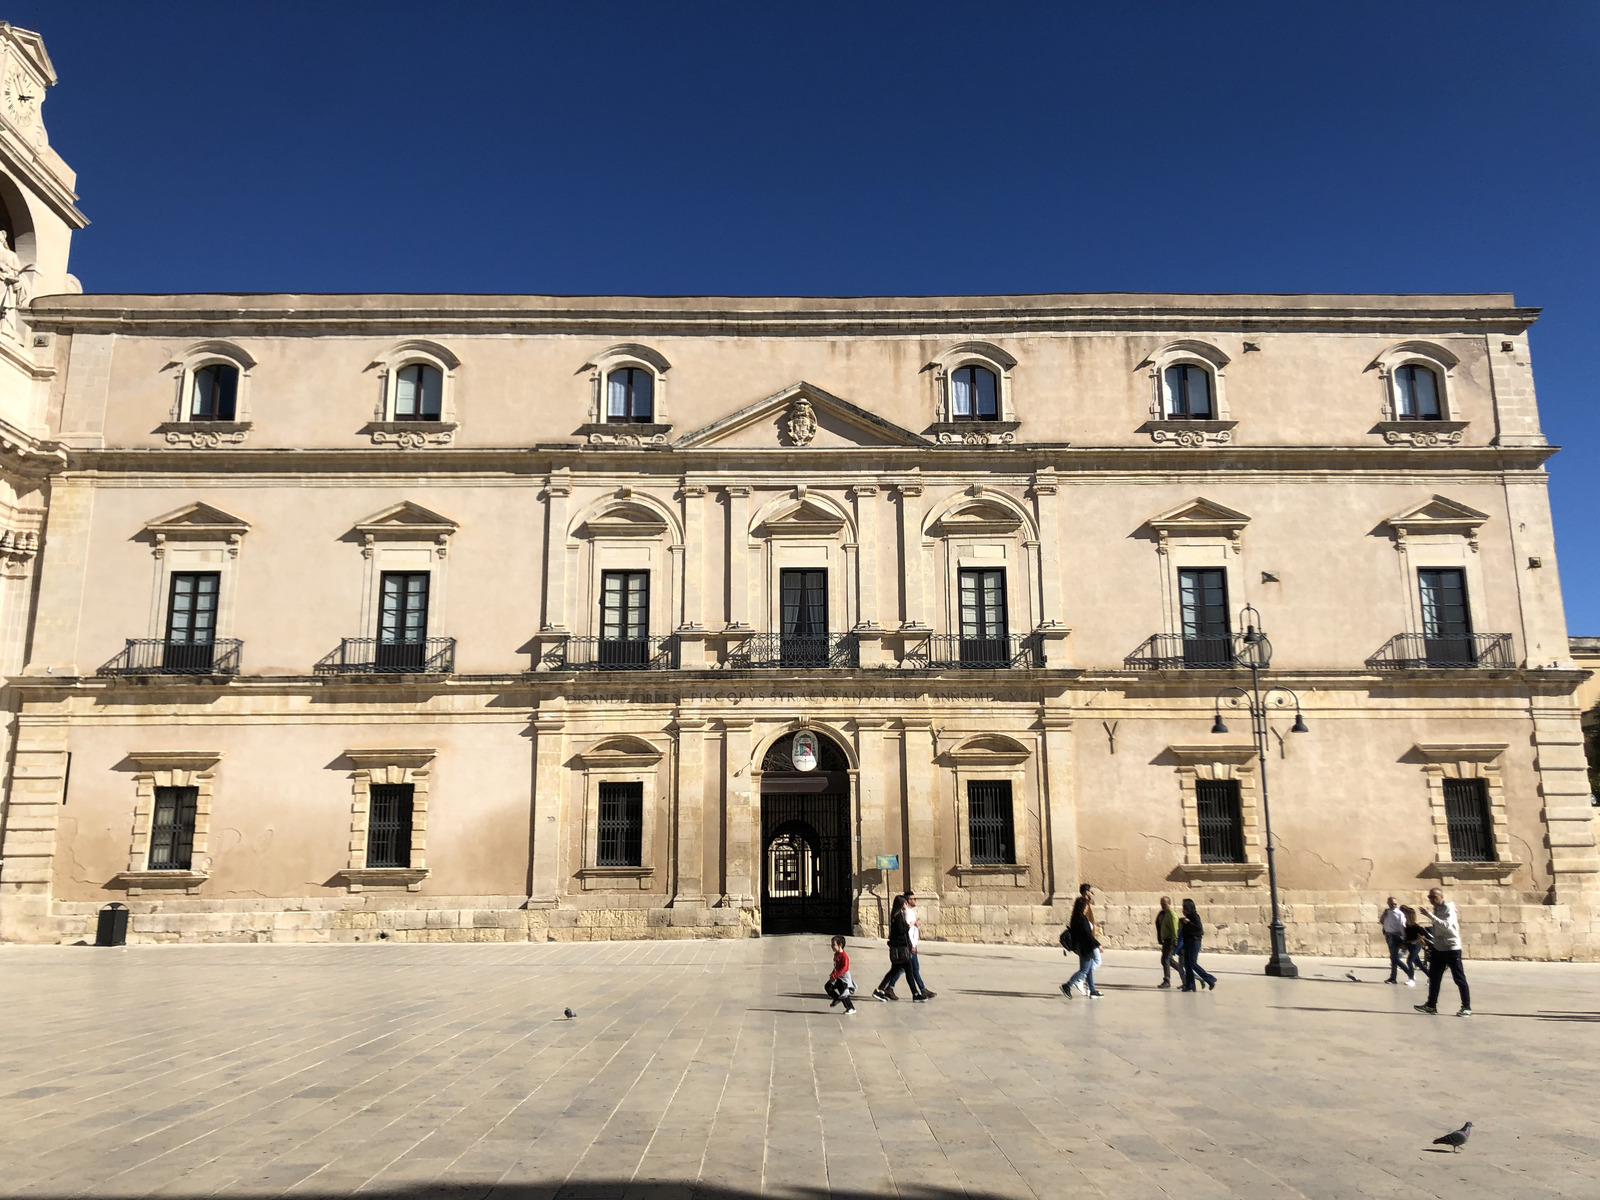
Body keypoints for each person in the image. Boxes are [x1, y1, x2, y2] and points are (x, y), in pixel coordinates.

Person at [1414, 887, 1471, 1016]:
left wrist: (1429, 915)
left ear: (1441, 897)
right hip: (1439, 948)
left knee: (1459, 978)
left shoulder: (1448, 908)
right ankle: (1431, 1005)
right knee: (1434, 978)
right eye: (1429, 897)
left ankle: (1466, 1006)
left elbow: (1446, 925)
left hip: (1451, 948)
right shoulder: (1437, 909)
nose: (1431, 900)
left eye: (1434, 897)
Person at [1061, 883, 1103, 998]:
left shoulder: (1076, 918)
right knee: (1084, 970)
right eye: (1085, 906)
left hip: (1083, 946)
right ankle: (1068, 985)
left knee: (1088, 969)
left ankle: (1092, 989)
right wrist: (1097, 945)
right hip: (1086, 947)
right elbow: (1087, 935)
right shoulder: (1082, 919)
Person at [874, 895, 912, 1001]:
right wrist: (909, 926)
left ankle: (882, 989)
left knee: (895, 970)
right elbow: (900, 930)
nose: (906, 904)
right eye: (905, 902)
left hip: (898, 948)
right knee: (908, 970)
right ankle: (916, 993)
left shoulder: (897, 915)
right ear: (901, 904)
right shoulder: (898, 916)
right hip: (900, 949)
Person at [902, 891, 936, 1001]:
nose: (915, 900)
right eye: (913, 899)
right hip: (911, 945)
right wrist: (912, 945)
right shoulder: (907, 913)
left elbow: (913, 928)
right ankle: (922, 989)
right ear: (907, 901)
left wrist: (917, 925)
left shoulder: (910, 912)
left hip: (913, 944)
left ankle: (889, 987)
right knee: (913, 969)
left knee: (903, 969)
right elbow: (907, 930)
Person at [1178, 898, 1217, 991]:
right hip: (1187, 943)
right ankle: (1190, 985)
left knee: (1192, 963)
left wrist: (1189, 923)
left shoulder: (1195, 916)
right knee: (1187, 964)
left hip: (1195, 942)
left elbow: (1199, 929)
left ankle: (1209, 979)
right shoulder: (1186, 918)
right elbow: (1184, 933)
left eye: (1185, 907)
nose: (1183, 909)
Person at [1381, 896, 1414, 986]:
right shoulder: (1387, 912)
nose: (1393, 905)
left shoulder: (1399, 914)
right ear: (1388, 903)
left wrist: (1404, 939)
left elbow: (1402, 926)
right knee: (1393, 957)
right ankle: (1395, 977)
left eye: (1395, 903)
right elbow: (1382, 921)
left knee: (1394, 958)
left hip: (1396, 936)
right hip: (1389, 935)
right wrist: (1384, 915)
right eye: (1391, 903)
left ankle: (1401, 975)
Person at [825, 934, 856, 1015]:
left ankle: (850, 1007)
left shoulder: (844, 956)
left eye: (833, 944)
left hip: (843, 978)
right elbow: (836, 966)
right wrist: (833, 973)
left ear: (840, 945)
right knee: (828, 987)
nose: (832, 946)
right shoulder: (836, 954)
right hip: (837, 976)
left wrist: (836, 975)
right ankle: (836, 998)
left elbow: (845, 968)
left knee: (844, 993)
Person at [1155, 896, 1180, 988]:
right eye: (1161, 904)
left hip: (1170, 941)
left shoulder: (1172, 915)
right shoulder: (1163, 914)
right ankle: (1185, 974)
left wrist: (1174, 942)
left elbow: (1175, 929)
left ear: (1169, 903)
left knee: (1165, 960)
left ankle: (1167, 981)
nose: (1162, 905)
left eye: (1164, 904)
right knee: (1170, 961)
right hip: (1165, 940)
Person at [1400, 904, 1428, 981]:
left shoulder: (1416, 926)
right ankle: (1431, 976)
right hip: (1409, 945)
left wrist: (1415, 941)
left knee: (1409, 961)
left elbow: (1423, 935)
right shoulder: (1406, 925)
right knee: (1419, 964)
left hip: (1416, 946)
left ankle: (1411, 979)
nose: (1404, 915)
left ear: (1410, 915)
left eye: (1405, 914)